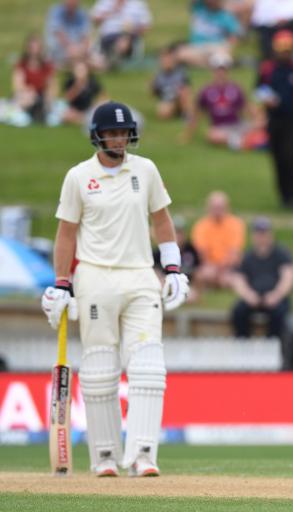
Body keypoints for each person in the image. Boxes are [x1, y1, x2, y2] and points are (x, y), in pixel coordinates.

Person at [40, 101, 189, 478]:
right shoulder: (78, 177)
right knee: (101, 369)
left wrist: (172, 269)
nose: (120, 139)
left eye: (124, 133)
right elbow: (65, 235)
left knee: (149, 367)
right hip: (95, 279)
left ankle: (142, 454)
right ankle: (105, 456)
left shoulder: (146, 170)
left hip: (140, 276)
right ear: (98, 135)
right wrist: (61, 284)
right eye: (113, 133)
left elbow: (163, 221)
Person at [255, 29, 293, 209]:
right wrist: (267, 100)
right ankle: (283, 196)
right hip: (274, 121)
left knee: (290, 157)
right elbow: (258, 88)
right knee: (277, 158)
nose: (285, 53)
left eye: (288, 50)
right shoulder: (267, 69)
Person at [183, 52, 267, 149]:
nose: (221, 73)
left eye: (223, 69)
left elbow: (248, 108)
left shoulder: (236, 88)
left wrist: (260, 117)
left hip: (237, 125)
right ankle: (245, 142)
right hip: (220, 129)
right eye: (218, 69)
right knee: (212, 135)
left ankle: (247, 141)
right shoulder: (205, 91)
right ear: (212, 71)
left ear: (228, 71)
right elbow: (197, 114)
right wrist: (188, 134)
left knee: (263, 122)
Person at [231, 216, 293, 338]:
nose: (261, 236)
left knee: (280, 313)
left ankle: (274, 344)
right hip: (253, 297)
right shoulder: (247, 256)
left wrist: (277, 295)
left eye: (264, 233)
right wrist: (248, 295)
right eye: (258, 233)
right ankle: (242, 343)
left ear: (270, 234)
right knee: (238, 312)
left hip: (275, 298)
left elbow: (288, 277)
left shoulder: (281, 254)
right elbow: (239, 279)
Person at [191, 191, 245, 289]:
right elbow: (202, 252)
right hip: (209, 266)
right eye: (214, 207)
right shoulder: (201, 225)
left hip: (230, 267)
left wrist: (221, 268)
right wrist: (212, 267)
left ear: (227, 207)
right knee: (204, 274)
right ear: (208, 208)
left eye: (220, 207)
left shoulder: (236, 224)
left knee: (232, 279)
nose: (217, 210)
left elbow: (234, 251)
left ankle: (216, 283)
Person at [177, 0, 241, 68]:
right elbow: (192, 3)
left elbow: (235, 35)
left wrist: (229, 46)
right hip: (197, 47)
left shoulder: (225, 15)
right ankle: (213, 65)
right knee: (181, 54)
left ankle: (213, 64)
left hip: (215, 47)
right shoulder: (199, 8)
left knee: (221, 54)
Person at [91, 0, 152, 69]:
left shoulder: (138, 3)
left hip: (129, 37)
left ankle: (108, 63)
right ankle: (108, 61)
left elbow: (146, 27)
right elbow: (95, 20)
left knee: (122, 42)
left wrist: (132, 31)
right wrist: (111, 10)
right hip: (107, 37)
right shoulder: (105, 2)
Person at [153, 216, 202, 301]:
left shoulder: (190, 249)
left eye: (180, 233)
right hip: (167, 284)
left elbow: (198, 269)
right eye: (175, 232)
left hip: (186, 284)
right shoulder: (161, 250)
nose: (178, 236)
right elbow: (155, 270)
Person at [12, 34, 57, 124]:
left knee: (47, 97)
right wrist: (29, 91)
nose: (34, 51)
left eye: (37, 47)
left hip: (41, 95)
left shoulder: (46, 66)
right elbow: (17, 85)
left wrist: (48, 95)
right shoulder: (21, 64)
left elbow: (52, 84)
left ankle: (43, 112)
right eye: (32, 47)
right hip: (26, 94)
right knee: (27, 98)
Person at [45, 0, 93, 68]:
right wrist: (71, 48)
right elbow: (59, 34)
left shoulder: (82, 13)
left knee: (92, 53)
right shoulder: (56, 11)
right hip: (60, 48)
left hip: (78, 49)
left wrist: (83, 48)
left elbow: (86, 36)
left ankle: (78, 64)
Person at [151, 44, 193, 121]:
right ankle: (176, 113)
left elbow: (187, 90)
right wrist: (152, 86)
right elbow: (154, 93)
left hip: (178, 99)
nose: (167, 62)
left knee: (183, 93)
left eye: (169, 59)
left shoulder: (181, 74)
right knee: (163, 113)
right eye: (164, 59)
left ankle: (186, 114)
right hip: (167, 99)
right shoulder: (158, 76)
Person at [60, 60, 104, 125]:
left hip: (88, 109)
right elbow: (67, 99)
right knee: (65, 116)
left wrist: (96, 104)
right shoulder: (70, 82)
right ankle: (86, 120)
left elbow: (103, 96)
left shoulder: (92, 82)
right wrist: (77, 86)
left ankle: (85, 119)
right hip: (74, 110)